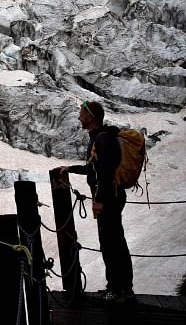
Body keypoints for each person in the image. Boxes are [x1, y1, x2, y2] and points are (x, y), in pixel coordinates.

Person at [67, 100, 134, 305]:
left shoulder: (102, 139)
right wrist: (69, 169)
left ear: (91, 116)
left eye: (81, 113)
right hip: (112, 196)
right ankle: (123, 289)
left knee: (110, 243)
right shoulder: (101, 138)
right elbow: (94, 168)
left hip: (108, 198)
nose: (79, 117)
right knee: (115, 241)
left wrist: (99, 201)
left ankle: (117, 289)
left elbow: (104, 173)